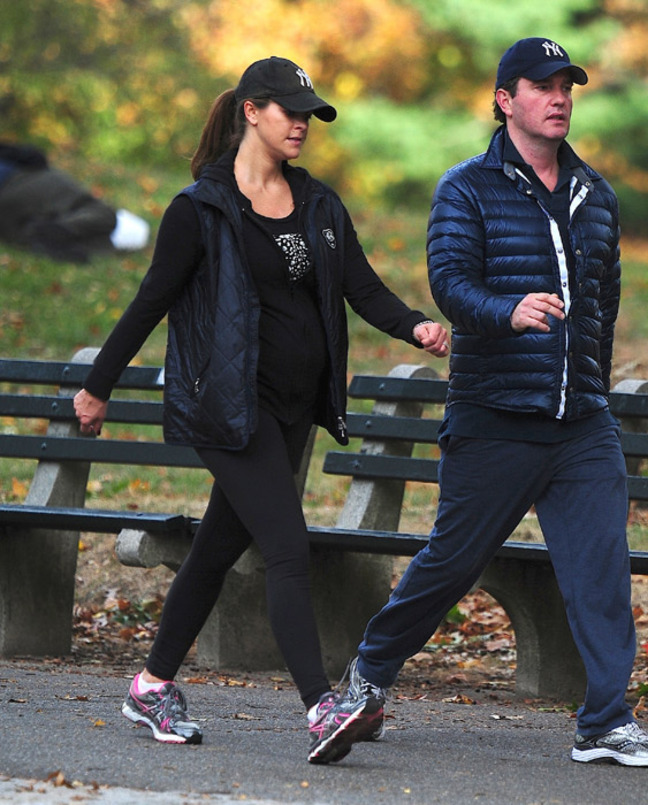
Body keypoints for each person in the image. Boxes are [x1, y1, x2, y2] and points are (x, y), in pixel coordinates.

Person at [307, 37, 648, 769]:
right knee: (450, 563)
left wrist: (591, 390)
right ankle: (365, 680)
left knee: (602, 570)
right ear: (506, 99)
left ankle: (606, 720)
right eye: (542, 85)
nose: (560, 96)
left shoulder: (596, 196)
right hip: (494, 415)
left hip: (580, 426)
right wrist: (506, 312)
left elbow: (603, 302)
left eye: (567, 84)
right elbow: (449, 281)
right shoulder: (467, 188)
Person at [72, 56, 448, 749]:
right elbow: (150, 301)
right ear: (252, 111)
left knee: (217, 548)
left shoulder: (318, 204)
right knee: (286, 545)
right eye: (289, 111)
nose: (301, 124)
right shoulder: (200, 210)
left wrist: (414, 325)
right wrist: (98, 384)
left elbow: (360, 288)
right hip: (226, 406)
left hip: (289, 409)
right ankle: (321, 706)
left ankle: (151, 686)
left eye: (309, 114)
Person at [0, 141, 149, 262]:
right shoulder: (95, 221)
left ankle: (49, 233)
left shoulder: (97, 217)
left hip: (20, 186)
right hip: (21, 188)